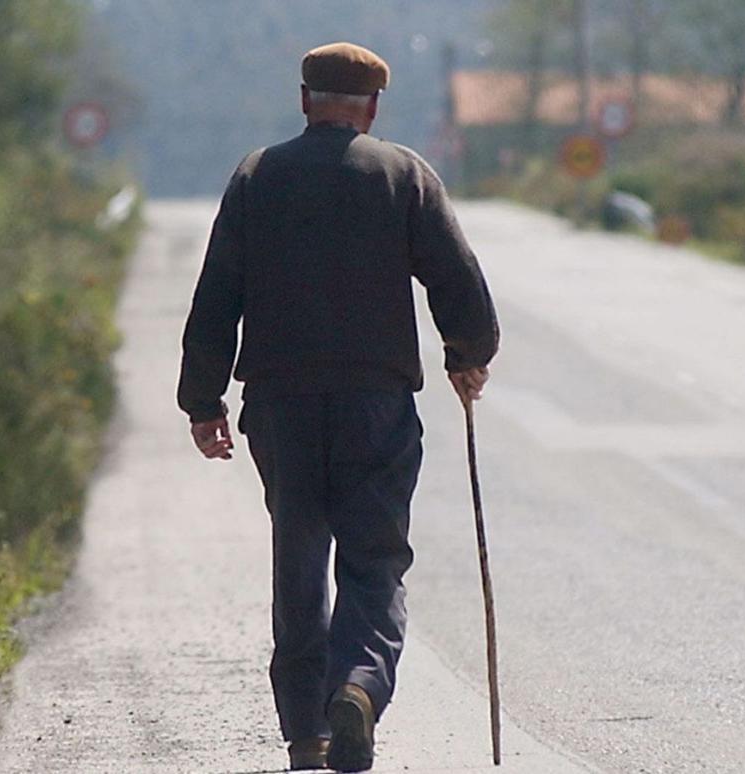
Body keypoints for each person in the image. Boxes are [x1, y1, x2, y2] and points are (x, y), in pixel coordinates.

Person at [177, 41, 499, 772]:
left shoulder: (257, 176)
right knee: (374, 563)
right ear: (373, 108)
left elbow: (216, 295)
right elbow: (456, 277)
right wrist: (468, 353)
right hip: (375, 406)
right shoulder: (403, 175)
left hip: (281, 408)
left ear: (304, 101)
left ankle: (306, 732)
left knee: (298, 559)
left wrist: (203, 399)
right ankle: (357, 686)